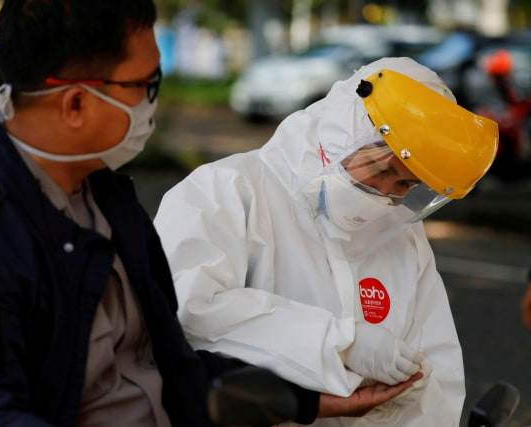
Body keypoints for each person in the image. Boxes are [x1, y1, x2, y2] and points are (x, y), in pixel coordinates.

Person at [0, 2, 420, 426]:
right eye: (145, 87)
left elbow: (161, 366)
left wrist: (301, 400)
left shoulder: (106, 199)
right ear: (74, 104)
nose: (152, 106)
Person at [154, 57, 499, 426]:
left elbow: (436, 374)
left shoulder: (402, 237)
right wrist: (339, 344)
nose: (384, 193)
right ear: (342, 133)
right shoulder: (226, 193)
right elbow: (187, 313)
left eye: (405, 185)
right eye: (381, 168)